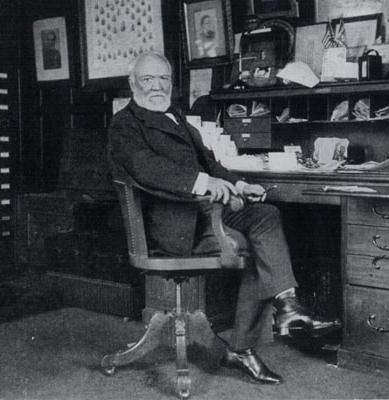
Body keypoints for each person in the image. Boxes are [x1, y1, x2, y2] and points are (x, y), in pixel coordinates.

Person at [107, 52, 339, 385]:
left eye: (163, 79)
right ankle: (243, 347)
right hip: (169, 227)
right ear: (132, 84)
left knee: (265, 216)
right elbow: (148, 167)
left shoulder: (174, 115)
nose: (157, 86)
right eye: (148, 79)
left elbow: (210, 163)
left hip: (201, 213)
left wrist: (237, 184)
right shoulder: (124, 124)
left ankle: (287, 304)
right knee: (259, 247)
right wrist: (205, 183)